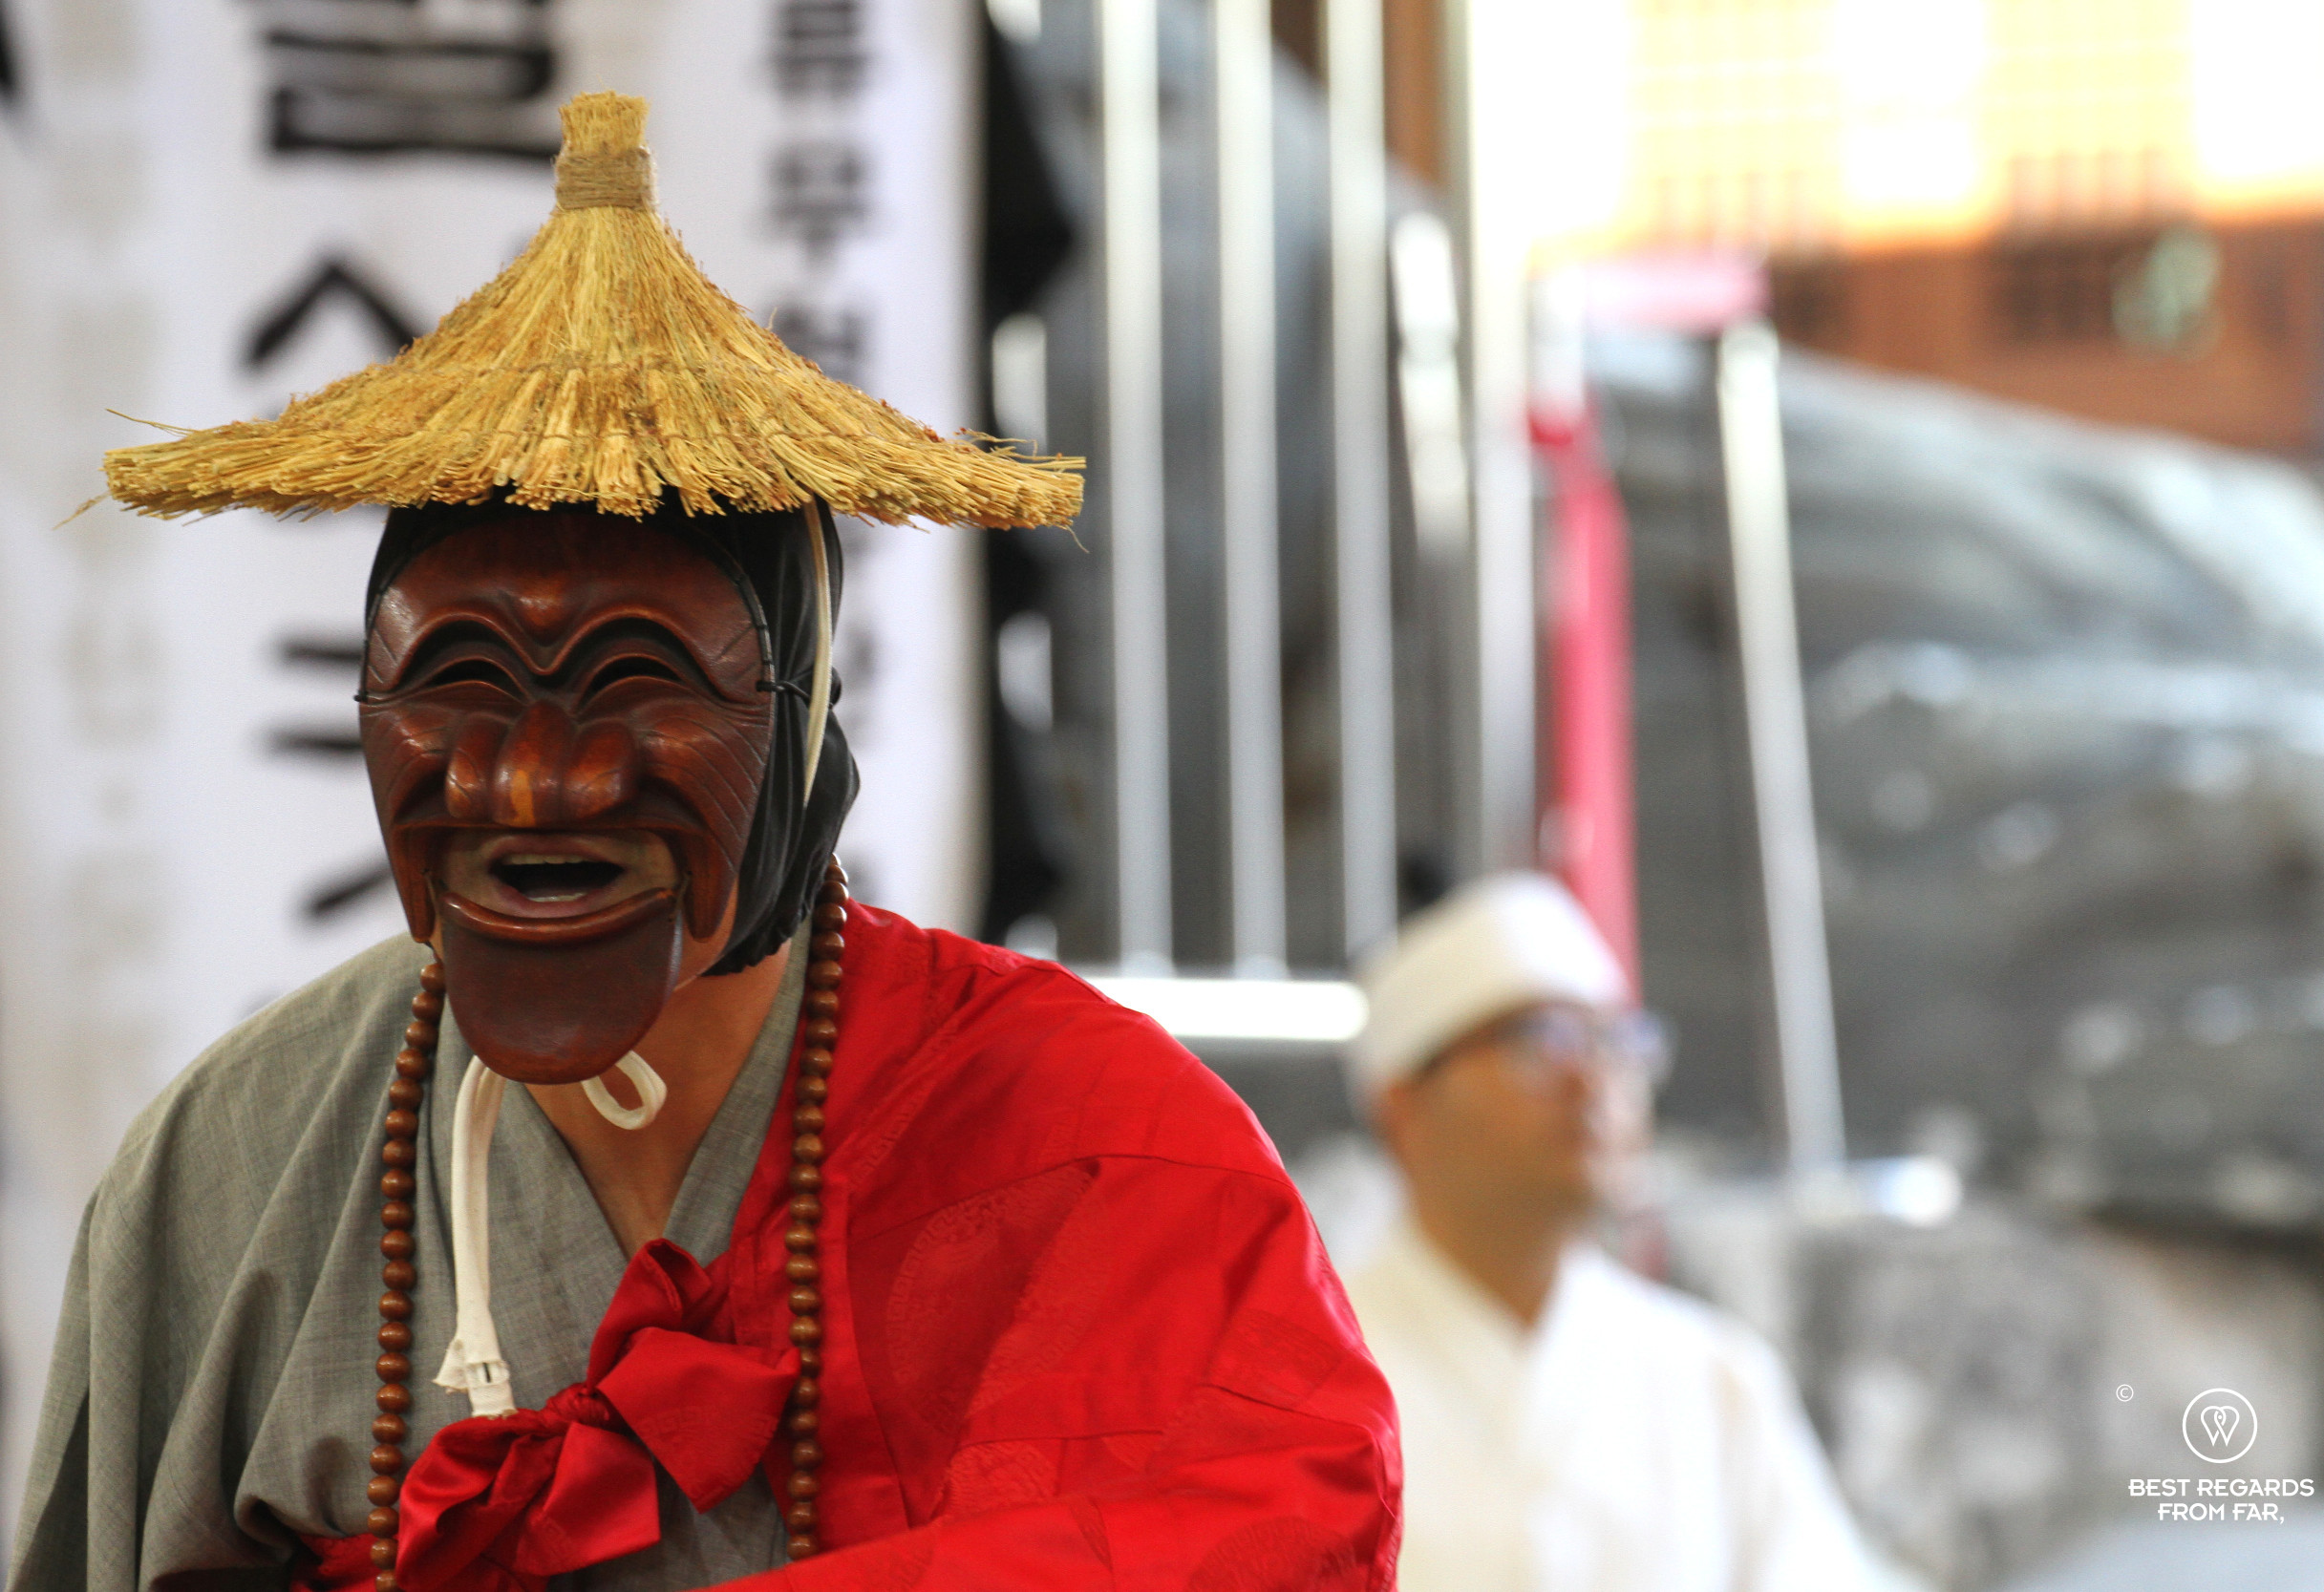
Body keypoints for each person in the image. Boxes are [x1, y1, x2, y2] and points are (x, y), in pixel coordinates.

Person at [12, 93, 1397, 1592]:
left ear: (806, 731)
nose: (534, 782)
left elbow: (1266, 1529)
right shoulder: (233, 1163)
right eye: (457, 680)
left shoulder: (1093, 1147)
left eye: (637, 681)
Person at [1341, 872, 1873, 1592]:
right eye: (1541, 1040)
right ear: (1401, 1104)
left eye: (1616, 1039)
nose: (1595, 1080)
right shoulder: (1305, 1378)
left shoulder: (1709, 1377)